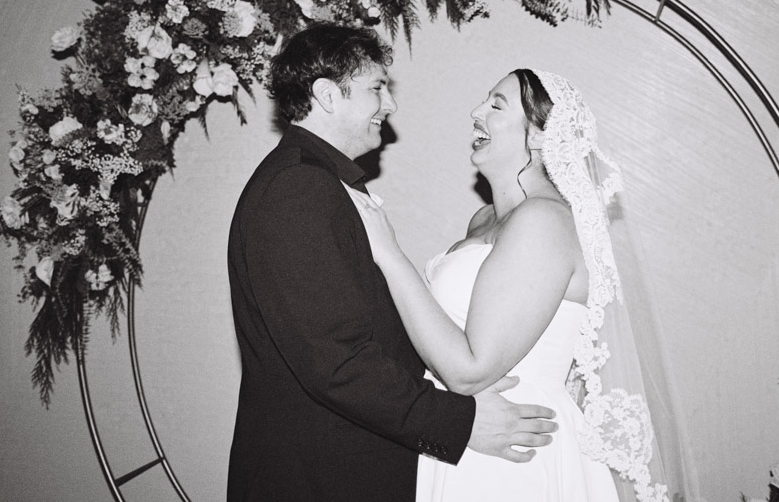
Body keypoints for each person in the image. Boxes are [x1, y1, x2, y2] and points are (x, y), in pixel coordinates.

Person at [226, 26, 558, 502]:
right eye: (377, 87)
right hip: (320, 477)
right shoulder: (299, 188)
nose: (390, 105)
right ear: (326, 95)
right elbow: (336, 361)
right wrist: (459, 422)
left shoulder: (318, 180)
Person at [348, 69, 696, 502]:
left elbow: (469, 370)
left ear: (537, 135)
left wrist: (388, 252)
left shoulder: (543, 220)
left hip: (513, 450)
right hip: (468, 431)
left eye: (496, 105)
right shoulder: (485, 220)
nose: (476, 112)